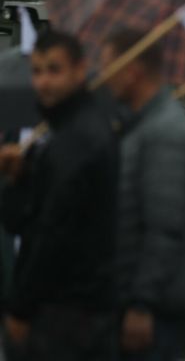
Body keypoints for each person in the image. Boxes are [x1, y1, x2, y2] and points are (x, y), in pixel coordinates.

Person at [0, 31, 119, 360]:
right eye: (37, 71)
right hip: (72, 310)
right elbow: (19, 218)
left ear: (80, 70)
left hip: (67, 313)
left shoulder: (77, 140)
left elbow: (50, 231)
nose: (43, 82)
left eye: (54, 70)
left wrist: (21, 307)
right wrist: (21, 177)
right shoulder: (65, 134)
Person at [99, 28, 185, 361]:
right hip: (141, 304)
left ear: (132, 71)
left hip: (154, 312)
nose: (104, 79)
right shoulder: (143, 126)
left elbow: (164, 228)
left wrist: (142, 304)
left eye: (109, 68)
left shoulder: (163, 132)